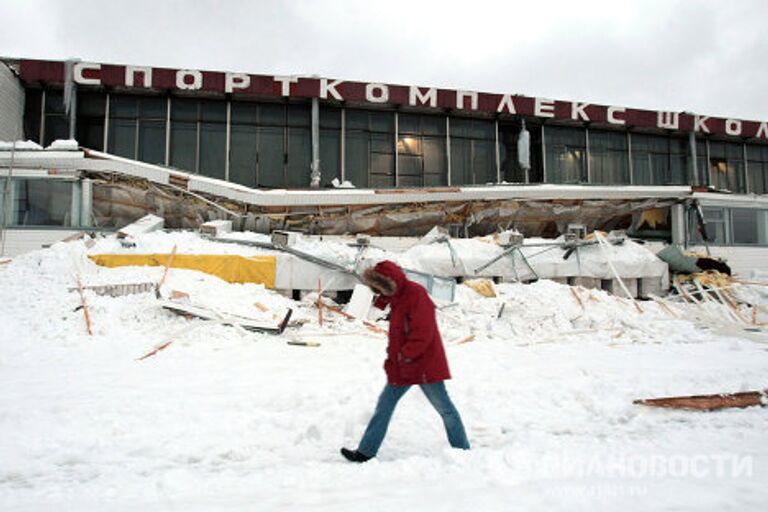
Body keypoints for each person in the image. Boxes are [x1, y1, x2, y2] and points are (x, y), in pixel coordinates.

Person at [341, 260, 470, 463]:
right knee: (384, 406)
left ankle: (462, 450)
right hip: (405, 366)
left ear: (391, 283)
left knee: (445, 409)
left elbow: (423, 333)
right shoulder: (398, 298)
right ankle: (365, 452)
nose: (379, 293)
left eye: (381, 288)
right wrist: (395, 360)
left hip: (424, 365)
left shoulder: (416, 295)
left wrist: (405, 356)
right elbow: (398, 332)